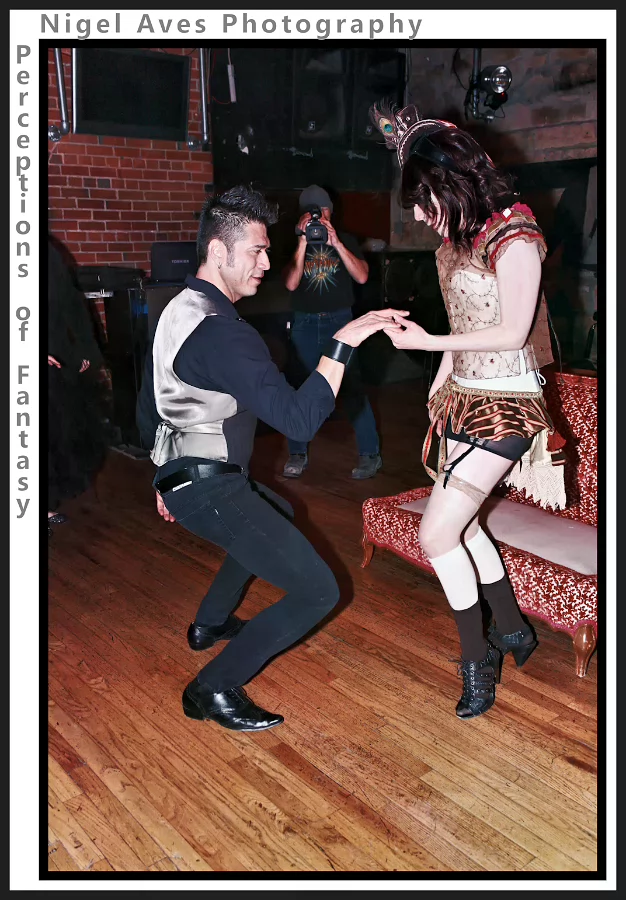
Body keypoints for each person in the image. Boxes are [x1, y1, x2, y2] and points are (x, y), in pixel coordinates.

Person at [137, 185, 406, 732]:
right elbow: (300, 421)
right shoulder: (225, 335)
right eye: (256, 251)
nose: (265, 263)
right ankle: (212, 688)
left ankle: (210, 623)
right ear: (219, 251)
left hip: (187, 476)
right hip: (208, 486)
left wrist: (163, 476)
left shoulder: (178, 308)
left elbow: (149, 405)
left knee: (277, 512)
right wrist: (343, 342)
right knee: (318, 591)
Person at [371, 103, 566, 719]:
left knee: (436, 533)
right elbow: (463, 325)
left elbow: (512, 332)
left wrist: (427, 344)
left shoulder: (515, 235)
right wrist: (440, 380)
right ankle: (512, 629)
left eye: (423, 201)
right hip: (464, 396)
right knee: (465, 522)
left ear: (449, 182)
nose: (419, 217)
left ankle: (477, 662)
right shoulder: (459, 238)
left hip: (509, 405)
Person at [281, 185, 382, 480]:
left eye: (321, 210)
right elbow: (290, 283)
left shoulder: (346, 239)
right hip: (305, 323)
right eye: (310, 211)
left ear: (330, 212)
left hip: (340, 323)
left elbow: (362, 276)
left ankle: (370, 453)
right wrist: (302, 242)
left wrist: (336, 242)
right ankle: (297, 453)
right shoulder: (293, 243)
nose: (316, 217)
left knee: (352, 389)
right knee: (300, 389)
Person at [47, 237, 108, 537]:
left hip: (56, 361)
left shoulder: (48, 254)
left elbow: (72, 306)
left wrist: (85, 351)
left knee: (58, 433)